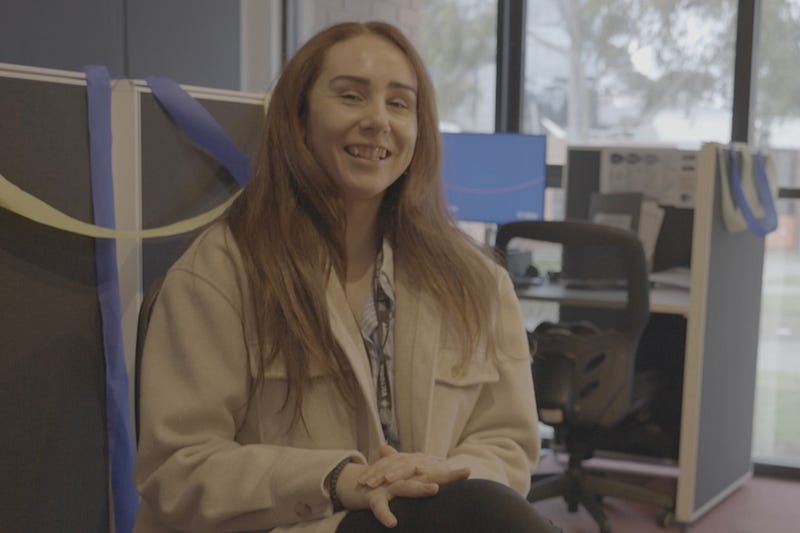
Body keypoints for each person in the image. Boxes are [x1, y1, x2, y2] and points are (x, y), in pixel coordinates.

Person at [133, 20, 559, 533]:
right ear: (301, 117)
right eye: (352, 96)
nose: (378, 120)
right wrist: (336, 479)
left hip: (436, 518)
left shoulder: (476, 282)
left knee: (493, 514)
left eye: (399, 104)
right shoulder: (221, 271)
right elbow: (177, 469)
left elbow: (506, 443)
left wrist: (442, 472)